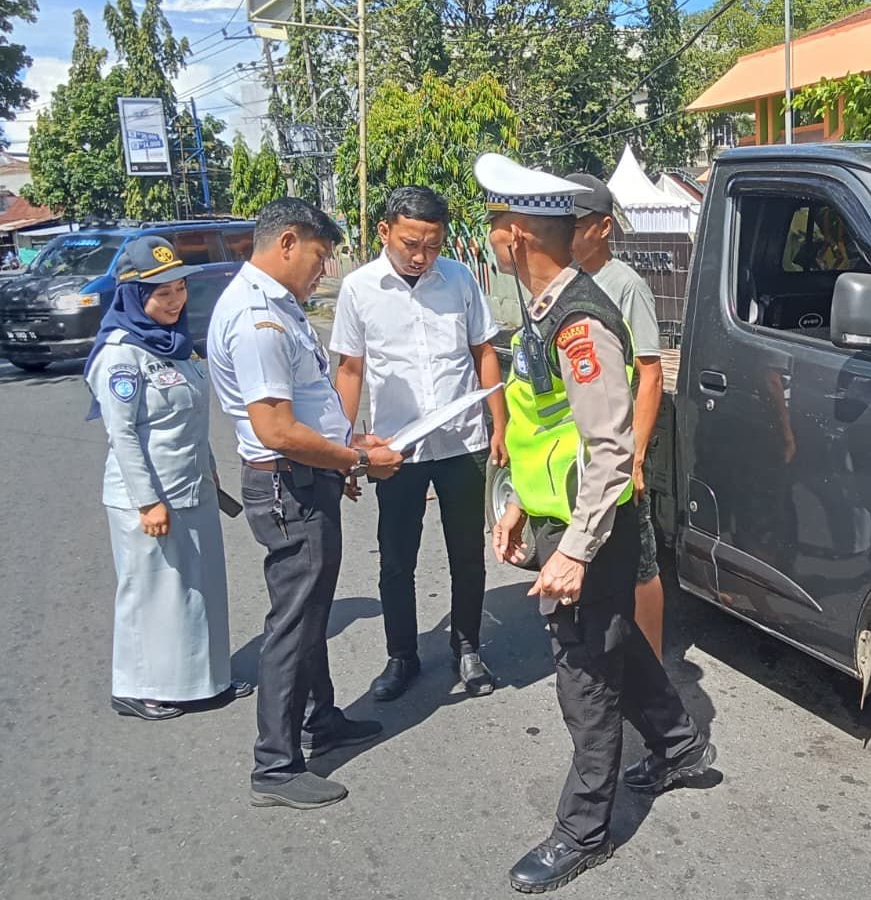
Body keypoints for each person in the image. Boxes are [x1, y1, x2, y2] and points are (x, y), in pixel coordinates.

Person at [477, 153, 715, 893]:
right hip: (562, 517)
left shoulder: (579, 322)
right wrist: (520, 501)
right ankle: (679, 749)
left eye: (493, 224)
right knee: (615, 647)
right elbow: (547, 431)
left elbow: (611, 451)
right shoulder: (545, 312)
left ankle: (583, 832)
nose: (489, 236)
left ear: (517, 235)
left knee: (585, 679)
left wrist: (575, 552)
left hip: (592, 529)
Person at [208, 198, 403, 810]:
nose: (325, 271)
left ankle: (321, 716)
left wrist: (346, 445)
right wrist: (358, 461)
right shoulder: (257, 318)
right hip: (288, 482)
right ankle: (275, 764)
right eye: (320, 257)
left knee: (311, 608)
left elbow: (309, 407)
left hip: (306, 476)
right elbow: (276, 429)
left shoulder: (277, 307)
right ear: (287, 242)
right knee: (294, 620)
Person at [331, 186, 507, 701]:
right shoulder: (359, 289)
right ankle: (401, 656)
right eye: (411, 243)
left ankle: (468, 648)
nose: (421, 256)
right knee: (396, 557)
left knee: (467, 553)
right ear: (385, 232)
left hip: (463, 442)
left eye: (432, 245)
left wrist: (500, 424)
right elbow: (350, 370)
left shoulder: (458, 279)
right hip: (395, 450)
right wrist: (347, 452)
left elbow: (484, 351)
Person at [84, 236, 252, 721]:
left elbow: (190, 419)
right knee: (152, 591)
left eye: (179, 287)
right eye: (162, 293)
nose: (175, 299)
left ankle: (205, 680)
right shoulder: (121, 354)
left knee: (198, 588)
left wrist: (209, 468)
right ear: (134, 296)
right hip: (150, 496)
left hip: (192, 486)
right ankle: (138, 686)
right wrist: (146, 502)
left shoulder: (176, 345)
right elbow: (124, 436)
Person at [565, 173, 666, 659]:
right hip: (577, 453)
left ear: (603, 228)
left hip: (618, 451)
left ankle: (651, 670)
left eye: (576, 223)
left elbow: (651, 374)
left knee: (641, 563)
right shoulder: (565, 283)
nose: (565, 231)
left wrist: (637, 456)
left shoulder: (626, 286)